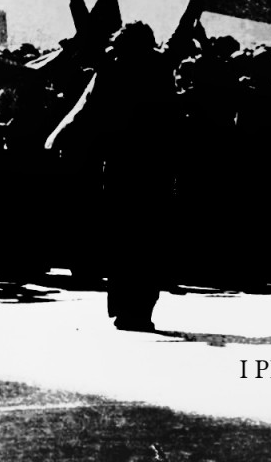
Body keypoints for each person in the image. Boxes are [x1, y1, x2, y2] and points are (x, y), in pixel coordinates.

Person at [47, 21, 175, 331]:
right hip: (154, 167)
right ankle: (140, 309)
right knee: (147, 240)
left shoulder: (113, 69)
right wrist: (194, 7)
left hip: (122, 166)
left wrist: (60, 138)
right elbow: (180, 37)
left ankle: (125, 306)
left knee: (123, 239)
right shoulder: (159, 66)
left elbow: (87, 106)